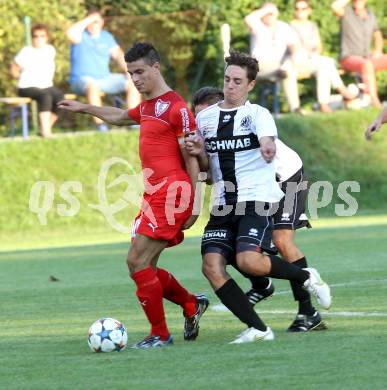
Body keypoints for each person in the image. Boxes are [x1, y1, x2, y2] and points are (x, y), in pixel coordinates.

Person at [58, 42, 209, 349]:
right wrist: (85, 108)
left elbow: (192, 157)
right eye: (130, 73)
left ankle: (160, 334)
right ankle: (191, 305)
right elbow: (119, 116)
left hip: (171, 194)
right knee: (143, 267)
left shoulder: (177, 107)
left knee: (136, 261)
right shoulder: (148, 106)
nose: (135, 79)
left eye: (140, 71)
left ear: (156, 67)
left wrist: (194, 201)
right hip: (153, 196)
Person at [185, 50, 331, 344]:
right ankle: (260, 323)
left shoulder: (257, 115)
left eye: (237, 81)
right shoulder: (208, 120)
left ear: (250, 85)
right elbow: (208, 171)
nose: (230, 86)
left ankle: (306, 304)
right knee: (215, 264)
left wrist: (266, 146)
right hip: (226, 202)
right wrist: (197, 153)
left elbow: (266, 138)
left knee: (277, 244)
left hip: (280, 180)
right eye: (226, 79)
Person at [66, 9, 141, 131]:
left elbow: (118, 55)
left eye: (96, 21)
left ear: (102, 23)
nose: (93, 24)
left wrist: (129, 71)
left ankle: (133, 122)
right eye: (91, 21)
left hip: (104, 79)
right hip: (81, 80)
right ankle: (100, 125)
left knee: (134, 82)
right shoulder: (80, 36)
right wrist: (90, 18)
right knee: (92, 85)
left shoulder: (107, 37)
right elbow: (70, 33)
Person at [291, 0, 358, 113]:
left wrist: (313, 52)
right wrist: (309, 52)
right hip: (297, 62)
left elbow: (319, 46)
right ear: (294, 11)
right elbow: (295, 48)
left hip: (313, 60)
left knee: (324, 68)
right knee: (327, 62)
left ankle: (323, 104)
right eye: (297, 8)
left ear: (309, 10)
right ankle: (344, 92)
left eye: (303, 8)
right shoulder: (290, 26)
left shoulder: (312, 26)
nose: (300, 11)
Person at [244, 3, 301, 113]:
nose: (270, 16)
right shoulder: (258, 25)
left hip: (280, 65)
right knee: (287, 70)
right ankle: (294, 109)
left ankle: (295, 108)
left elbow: (294, 46)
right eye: (267, 13)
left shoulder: (283, 27)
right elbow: (249, 18)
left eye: (272, 13)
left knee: (289, 70)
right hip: (259, 67)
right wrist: (265, 10)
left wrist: (293, 58)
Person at [10, 23, 64, 137]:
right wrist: (20, 76)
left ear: (47, 37)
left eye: (42, 36)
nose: (39, 38)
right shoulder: (26, 51)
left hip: (46, 85)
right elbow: (14, 69)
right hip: (26, 86)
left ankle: (45, 128)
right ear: (32, 37)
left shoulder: (50, 50)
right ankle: (46, 132)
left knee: (61, 99)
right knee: (45, 96)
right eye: (36, 36)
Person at [331, 0, 387, 107]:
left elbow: (377, 33)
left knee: (369, 63)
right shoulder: (347, 12)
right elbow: (334, 6)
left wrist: (378, 50)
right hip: (348, 57)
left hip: (367, 57)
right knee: (367, 65)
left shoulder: (370, 14)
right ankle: (374, 101)